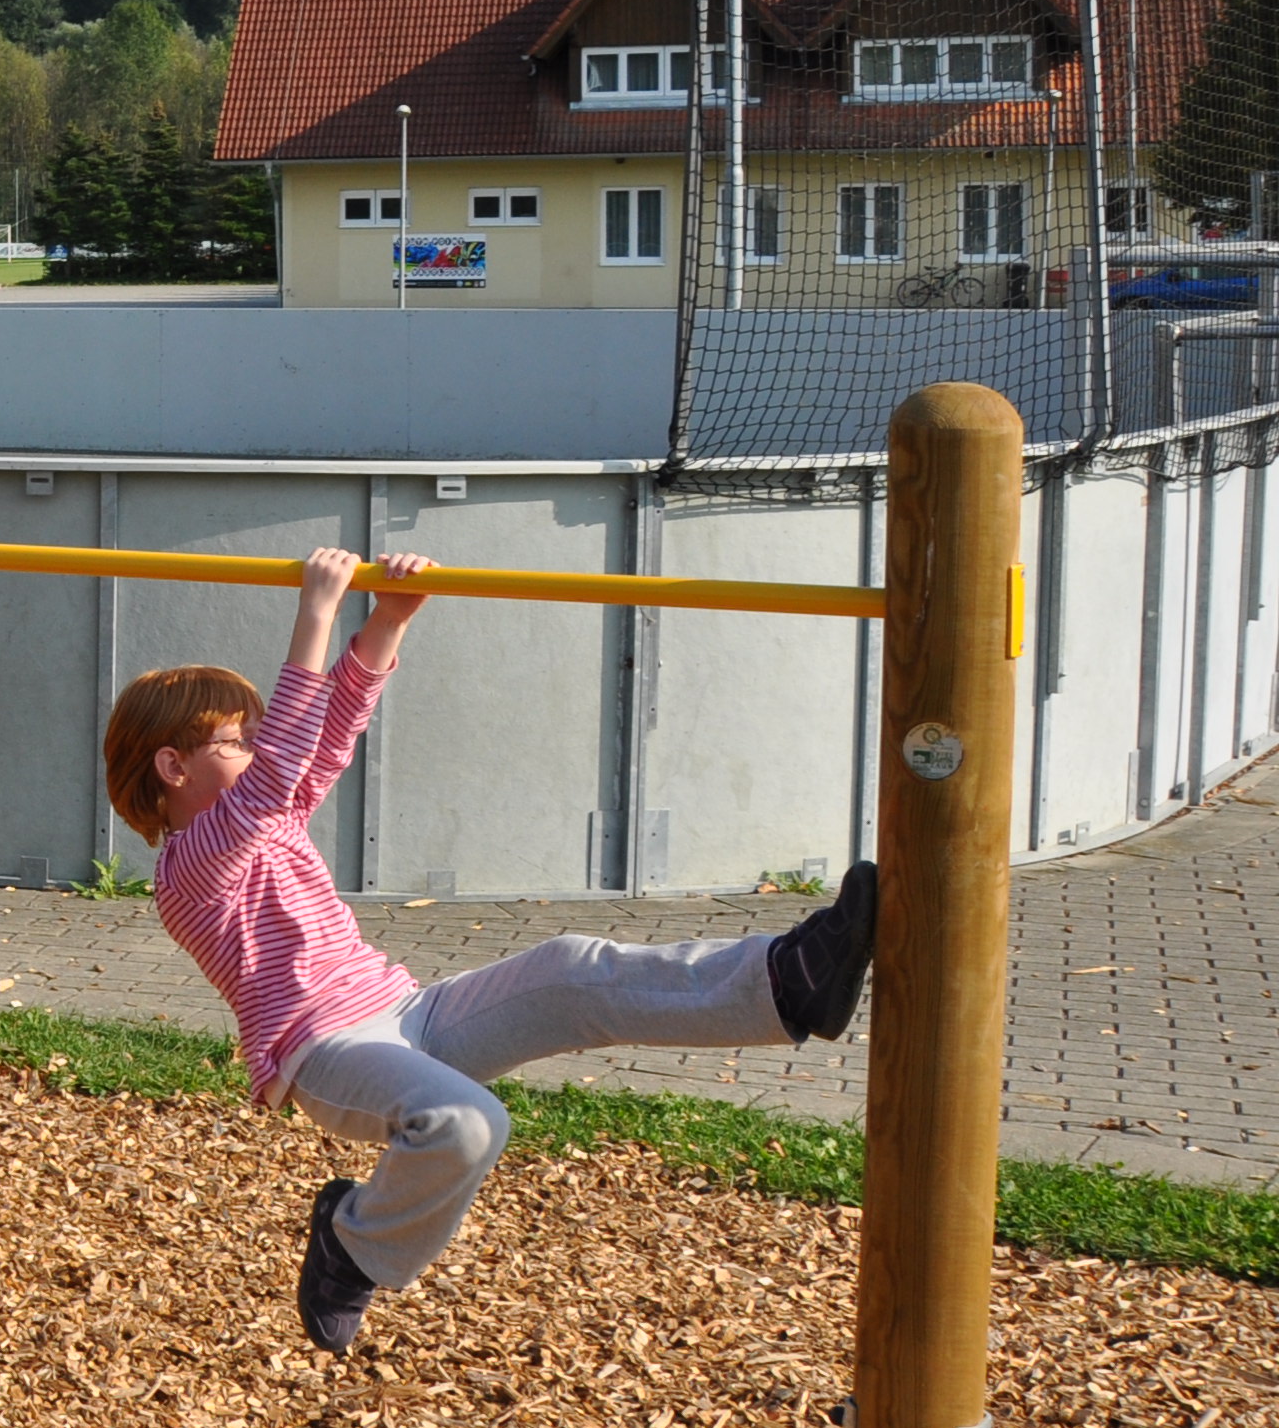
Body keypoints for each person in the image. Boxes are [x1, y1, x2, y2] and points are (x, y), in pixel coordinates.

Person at [106, 547, 877, 1357]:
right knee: (465, 1125)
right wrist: (316, 612)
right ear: (174, 767)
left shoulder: (269, 818)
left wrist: (388, 620)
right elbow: (281, 770)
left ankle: (786, 981)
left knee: (572, 970)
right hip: (322, 1050)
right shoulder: (189, 868)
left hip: (407, 1011)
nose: (264, 752)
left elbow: (326, 739)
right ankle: (353, 1246)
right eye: (241, 740)